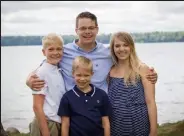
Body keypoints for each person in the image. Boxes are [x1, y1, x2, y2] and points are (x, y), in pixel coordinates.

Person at [26, 11, 158, 93]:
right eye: (83, 28)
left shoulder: (108, 53)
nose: (87, 32)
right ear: (76, 30)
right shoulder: (64, 52)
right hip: (73, 109)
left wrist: (149, 72)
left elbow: (129, 59)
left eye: (91, 28)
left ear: (97, 29)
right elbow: (45, 65)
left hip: (100, 110)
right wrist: (29, 79)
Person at [108, 32, 157, 136]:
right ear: (113, 48)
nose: (121, 49)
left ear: (131, 47)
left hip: (138, 124)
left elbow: (151, 102)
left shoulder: (142, 69)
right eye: (117, 46)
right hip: (116, 125)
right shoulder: (110, 71)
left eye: (125, 45)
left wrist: (153, 131)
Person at [58, 56, 111, 136]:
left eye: (86, 75)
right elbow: (65, 125)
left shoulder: (102, 95)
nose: (82, 79)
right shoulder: (67, 97)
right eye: (79, 75)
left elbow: (106, 123)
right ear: (73, 74)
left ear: (92, 74)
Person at [29, 33, 66, 136]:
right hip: (47, 124)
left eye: (59, 49)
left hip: (57, 122)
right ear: (43, 52)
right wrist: (45, 132)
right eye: (51, 49)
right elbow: (37, 106)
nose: (55, 52)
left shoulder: (57, 69)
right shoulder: (41, 72)